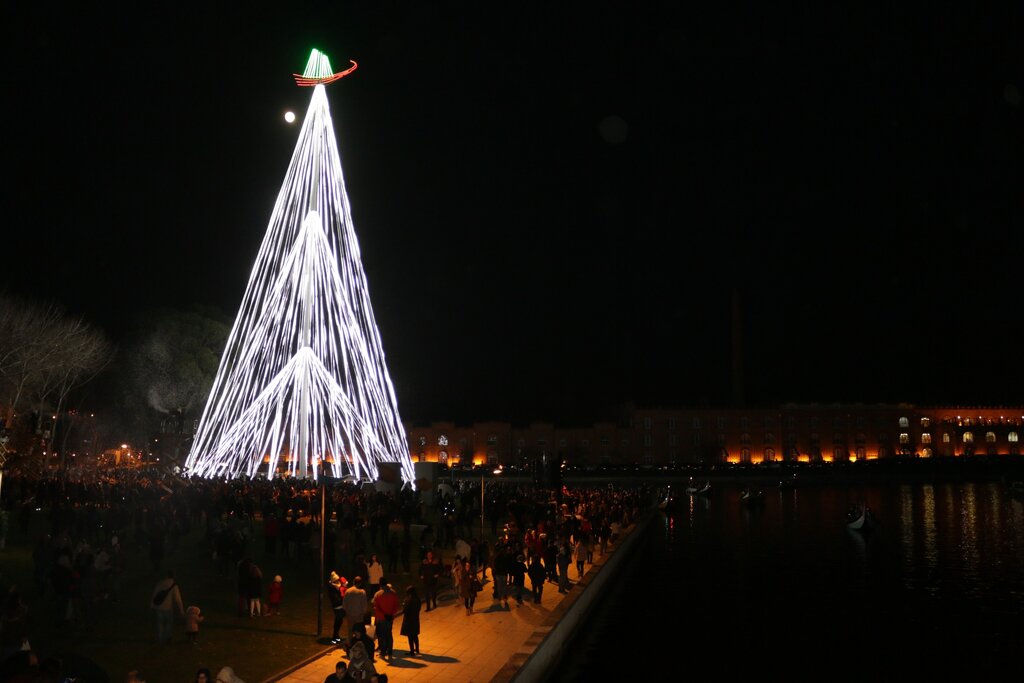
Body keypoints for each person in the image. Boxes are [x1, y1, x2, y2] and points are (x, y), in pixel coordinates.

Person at [150, 570, 184, 644]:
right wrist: (181, 610)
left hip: (159, 607)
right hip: (168, 607)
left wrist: (152, 605)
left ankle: (160, 638)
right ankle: (167, 638)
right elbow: (178, 599)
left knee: (160, 623)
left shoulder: (160, 583)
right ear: (174, 576)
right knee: (169, 623)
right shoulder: (174, 585)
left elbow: (154, 594)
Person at [371, 582, 400, 661]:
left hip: (380, 618)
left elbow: (375, 605)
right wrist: (391, 613)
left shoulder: (378, 594)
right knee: (389, 635)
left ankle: (383, 653)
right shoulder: (393, 594)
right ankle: (390, 652)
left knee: (381, 636)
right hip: (389, 618)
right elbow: (396, 606)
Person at [341, 576, 368, 648]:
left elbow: (344, 604)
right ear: (360, 583)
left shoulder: (348, 591)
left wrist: (347, 612)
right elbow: (364, 605)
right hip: (359, 616)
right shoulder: (362, 592)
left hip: (350, 615)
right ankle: (359, 646)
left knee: (350, 631)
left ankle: (349, 645)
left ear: (353, 582)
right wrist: (363, 612)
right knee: (359, 632)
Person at [399, 585, 421, 656]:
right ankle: (417, 649)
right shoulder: (417, 599)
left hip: (409, 620)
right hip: (415, 619)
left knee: (410, 636)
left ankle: (412, 651)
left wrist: (404, 605)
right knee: (415, 635)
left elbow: (405, 610)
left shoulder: (409, 600)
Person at [327, 572, 347, 644]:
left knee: (339, 621)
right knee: (338, 621)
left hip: (340, 605)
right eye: (337, 580)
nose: (338, 581)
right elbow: (335, 598)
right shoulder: (332, 588)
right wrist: (342, 599)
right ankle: (334, 637)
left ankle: (336, 636)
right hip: (337, 606)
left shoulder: (337, 587)